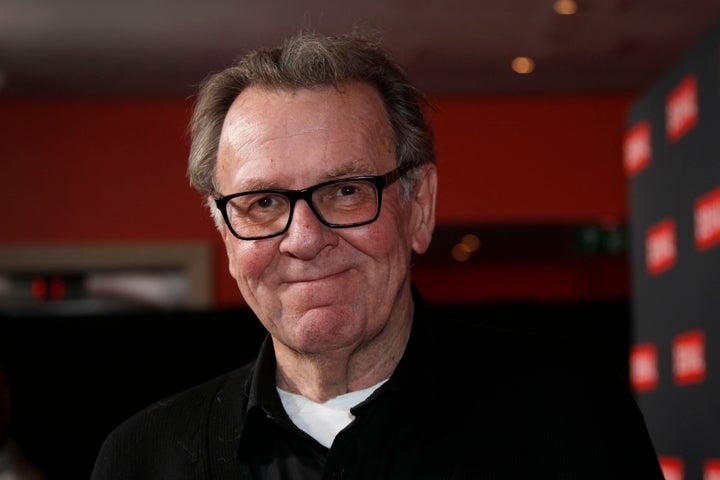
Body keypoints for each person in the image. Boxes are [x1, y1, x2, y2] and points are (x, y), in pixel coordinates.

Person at [90, 30, 663, 479]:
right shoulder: (142, 458)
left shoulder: (571, 416)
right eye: (262, 202)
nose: (305, 238)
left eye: (345, 191)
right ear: (224, 231)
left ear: (419, 207)